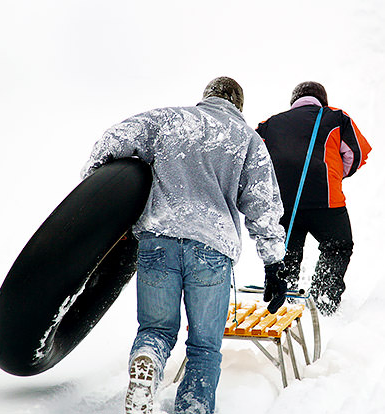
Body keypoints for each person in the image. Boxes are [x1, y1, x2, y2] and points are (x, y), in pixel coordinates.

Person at [81, 77, 287, 414]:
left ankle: (147, 358)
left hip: (158, 240)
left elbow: (114, 139)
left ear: (206, 96)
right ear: (239, 106)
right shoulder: (248, 140)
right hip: (211, 248)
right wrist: (273, 263)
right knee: (204, 347)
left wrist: (94, 191)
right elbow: (262, 204)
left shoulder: (169, 120)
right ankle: (192, 409)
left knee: (156, 329)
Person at [256, 81, 372, 316]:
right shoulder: (336, 118)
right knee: (337, 246)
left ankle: (284, 306)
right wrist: (336, 174)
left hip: (284, 204)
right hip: (326, 201)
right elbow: (356, 152)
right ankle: (324, 298)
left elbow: (256, 164)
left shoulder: (269, 125)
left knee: (287, 252)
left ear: (293, 102)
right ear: (323, 100)